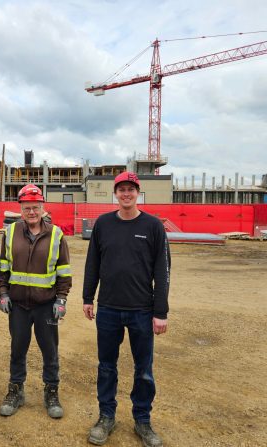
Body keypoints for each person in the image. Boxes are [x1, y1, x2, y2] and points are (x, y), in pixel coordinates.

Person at [83, 171, 171, 447]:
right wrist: (88, 297)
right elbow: (92, 264)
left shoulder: (154, 226)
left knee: (143, 368)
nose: (126, 193)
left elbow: (163, 270)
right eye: (121, 189)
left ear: (138, 192)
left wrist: (161, 311)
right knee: (106, 367)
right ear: (115, 192)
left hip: (142, 311)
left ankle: (142, 421)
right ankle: (106, 417)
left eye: (131, 189)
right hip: (108, 308)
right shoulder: (103, 225)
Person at [0, 184, 72, 419]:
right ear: (20, 209)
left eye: (35, 207)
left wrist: (61, 300)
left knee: (50, 351)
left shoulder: (56, 234)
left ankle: (51, 393)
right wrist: (3, 293)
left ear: (43, 208)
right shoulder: (10, 233)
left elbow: (64, 271)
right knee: (17, 349)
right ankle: (15, 391)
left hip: (46, 306)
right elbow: (3, 267)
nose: (31, 212)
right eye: (27, 207)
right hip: (18, 306)